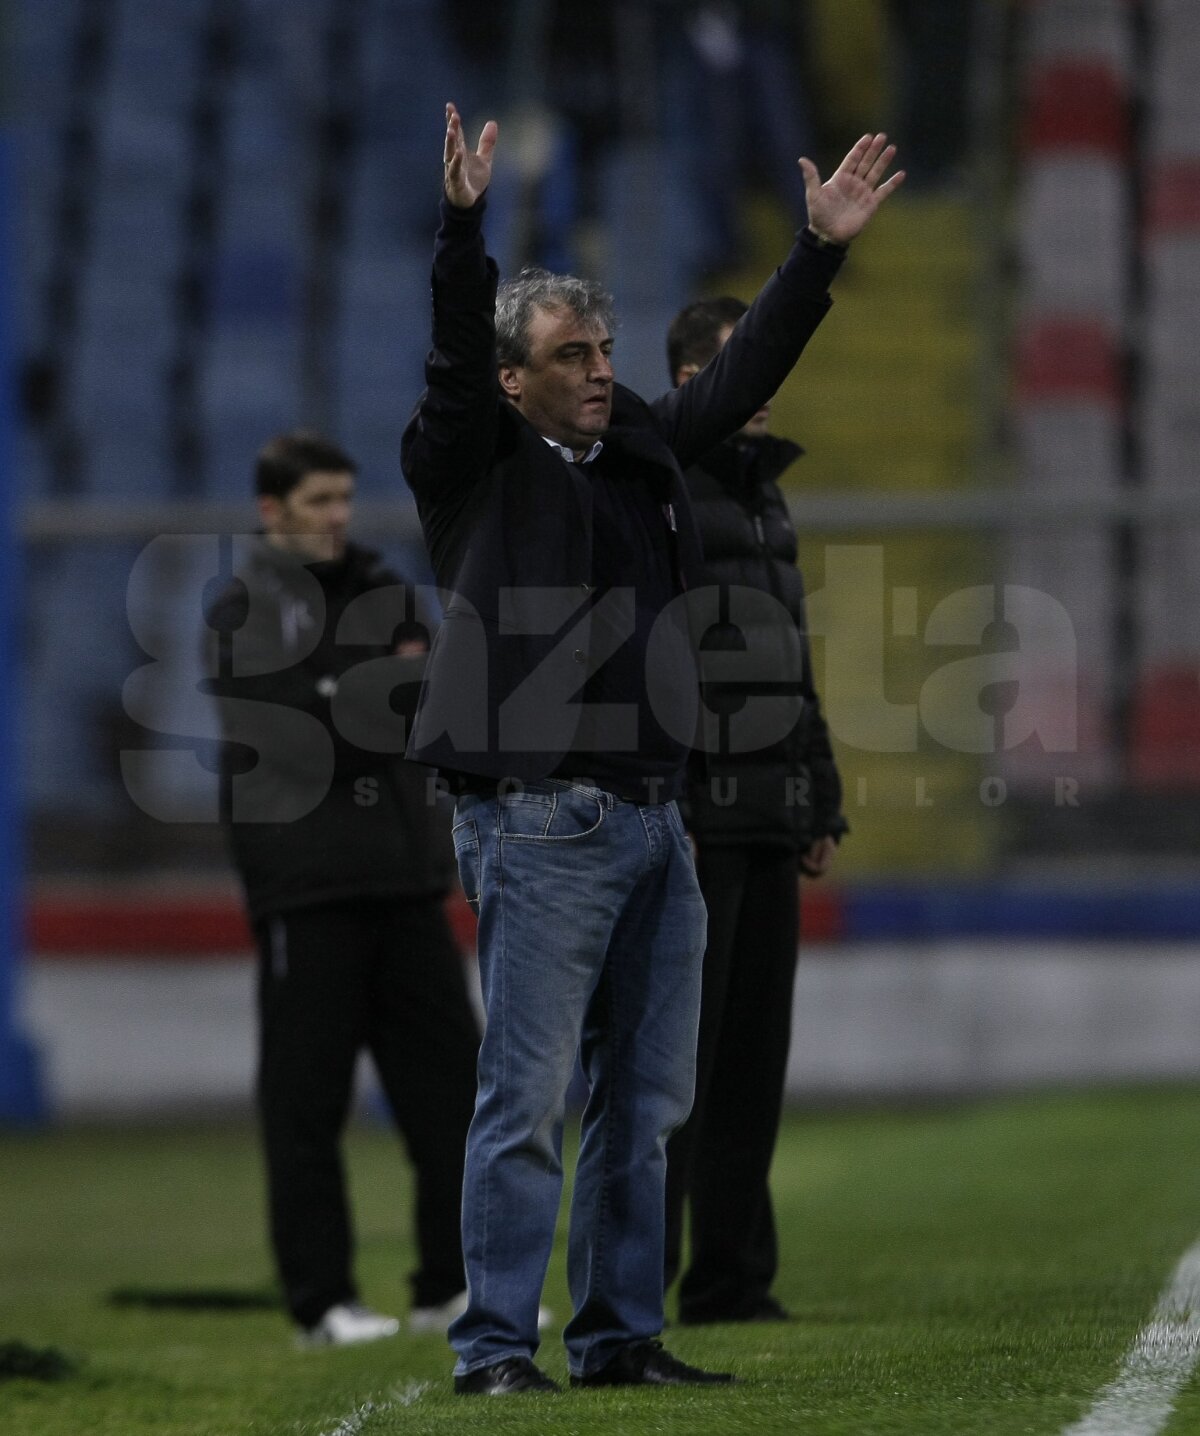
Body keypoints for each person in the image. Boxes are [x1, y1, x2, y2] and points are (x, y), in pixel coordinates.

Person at [402, 102, 901, 1395]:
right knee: (525, 1105)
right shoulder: (468, 463)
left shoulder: (637, 451)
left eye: (607, 350)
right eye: (572, 353)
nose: (598, 369)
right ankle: (496, 1349)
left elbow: (737, 382)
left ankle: (620, 1336)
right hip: (537, 815)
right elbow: (455, 358)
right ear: (517, 377)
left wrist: (818, 254)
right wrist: (462, 228)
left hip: (654, 816)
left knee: (647, 1106)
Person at [203, 431, 482, 1347]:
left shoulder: (386, 592)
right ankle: (322, 1304)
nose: (336, 518)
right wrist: (372, 695)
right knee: (306, 1107)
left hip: (406, 883)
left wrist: (350, 695)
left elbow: (438, 707)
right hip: (306, 891)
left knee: (454, 1098)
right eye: (318, 501)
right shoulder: (241, 609)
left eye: (343, 500)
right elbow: (292, 732)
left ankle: (451, 1287)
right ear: (271, 510)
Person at [662, 298, 848, 1325]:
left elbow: (793, 667)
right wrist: (676, 796)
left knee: (748, 1064)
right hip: (699, 817)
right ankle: (635, 1282)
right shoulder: (665, 490)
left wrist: (819, 792)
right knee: (675, 1068)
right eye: (740, 368)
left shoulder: (768, 501)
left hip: (770, 809)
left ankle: (731, 1279)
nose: (763, 388)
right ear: (691, 383)